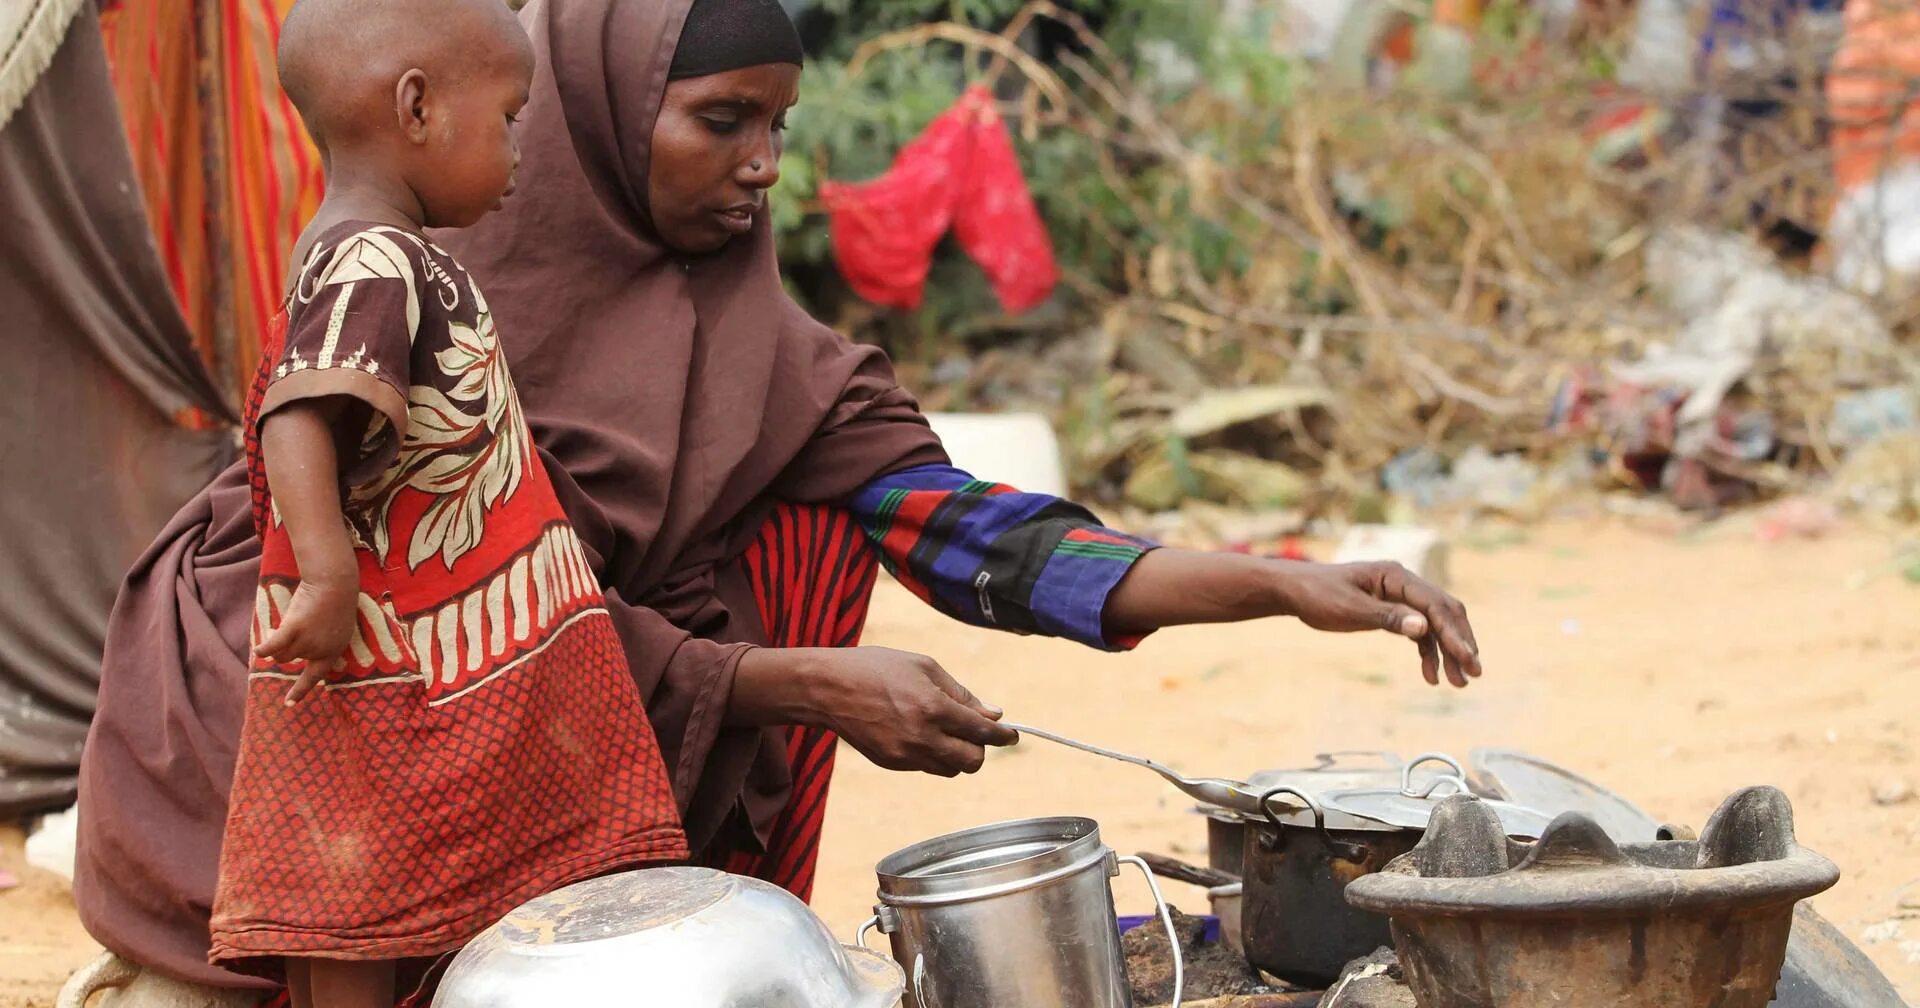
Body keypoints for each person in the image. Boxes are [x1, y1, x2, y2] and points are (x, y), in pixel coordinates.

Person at [73, 0, 1481, 999]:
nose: (764, 162)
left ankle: (651, 943)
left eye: (779, 125)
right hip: (328, 709)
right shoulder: (414, 285)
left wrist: (1286, 585)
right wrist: (800, 685)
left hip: (544, 697)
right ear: (591, 118)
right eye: (720, 120)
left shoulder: (759, 351)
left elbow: (984, 542)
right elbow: (452, 604)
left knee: (811, 514)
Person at [206, 1, 687, 1005]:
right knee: (353, 898)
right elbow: (298, 415)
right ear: (417, 107)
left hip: (410, 651)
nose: (521, 149)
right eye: (510, 117)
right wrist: (328, 571)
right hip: (384, 650)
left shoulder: (384, 253)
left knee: (365, 885)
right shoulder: (372, 258)